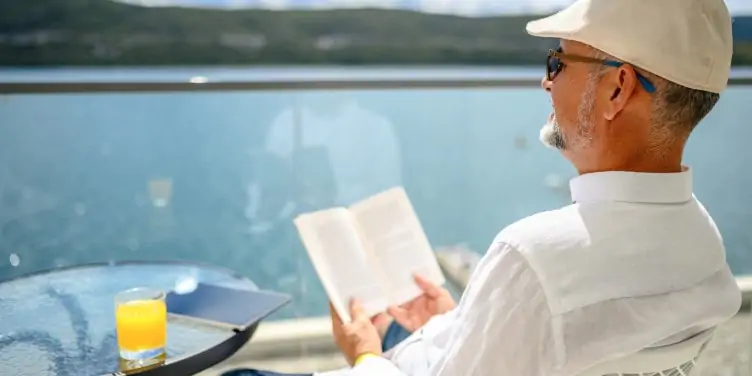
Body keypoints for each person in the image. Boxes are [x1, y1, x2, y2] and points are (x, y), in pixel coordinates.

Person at [224, 0, 742, 375]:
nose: (546, 82)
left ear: (617, 88)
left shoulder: (536, 258)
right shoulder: (702, 240)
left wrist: (363, 354)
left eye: (558, 62)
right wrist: (469, 318)